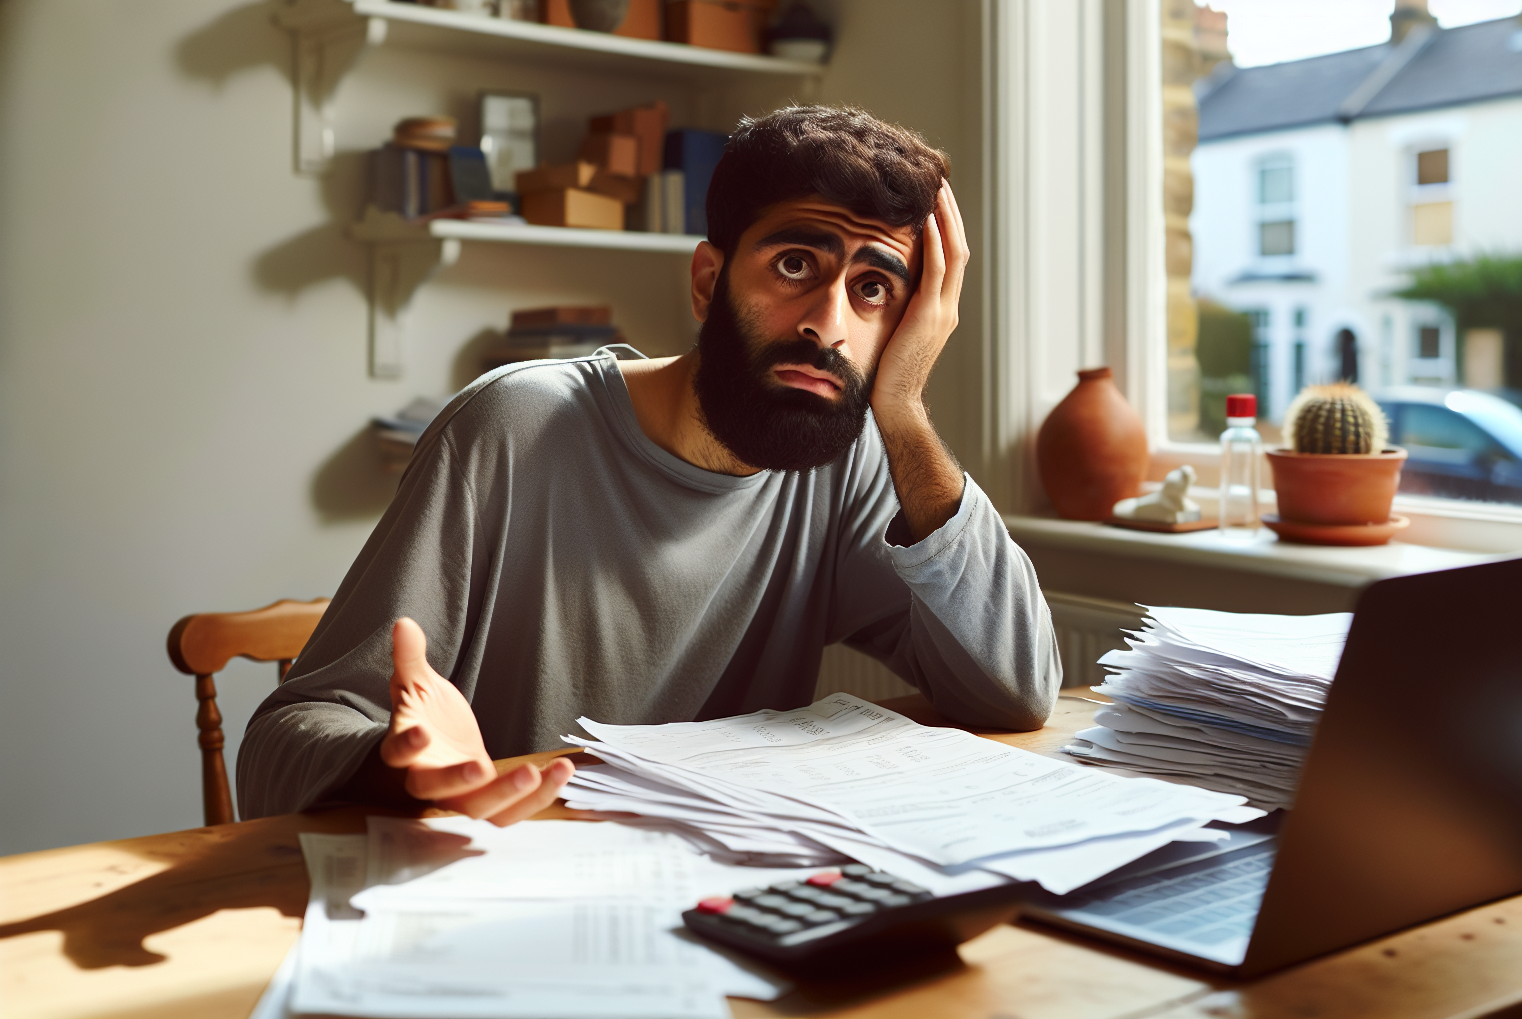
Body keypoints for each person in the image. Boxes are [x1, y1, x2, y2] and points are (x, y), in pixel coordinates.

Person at [237, 105, 1063, 823]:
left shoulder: (840, 467)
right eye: (794, 265)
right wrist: (397, 767)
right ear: (709, 282)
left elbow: (1016, 690)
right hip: (499, 890)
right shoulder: (513, 428)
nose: (828, 325)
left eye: (875, 290)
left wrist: (906, 411)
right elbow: (282, 745)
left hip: (705, 907)